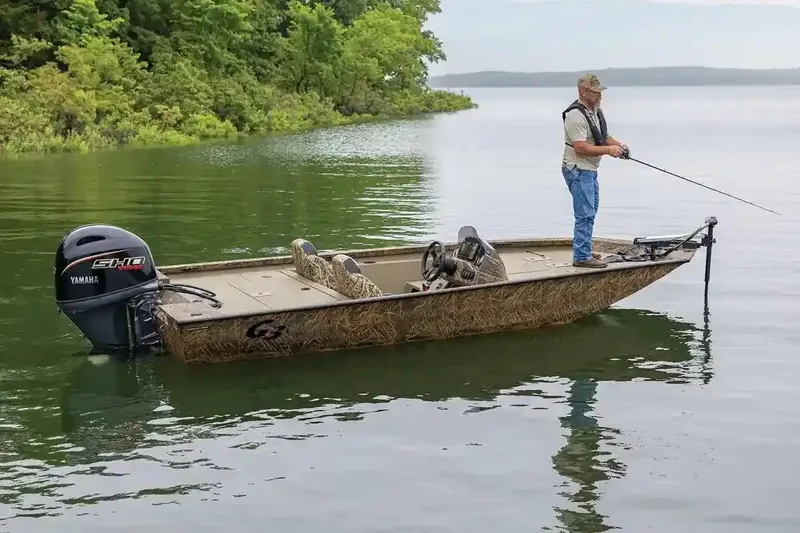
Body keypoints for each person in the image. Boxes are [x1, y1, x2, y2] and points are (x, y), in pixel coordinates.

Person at [561, 73, 630, 269]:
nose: (599, 96)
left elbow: (603, 136)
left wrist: (620, 146)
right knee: (585, 214)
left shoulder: (594, 110)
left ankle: (585, 249)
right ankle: (582, 257)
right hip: (578, 169)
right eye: (594, 93)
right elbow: (581, 147)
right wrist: (609, 151)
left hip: (589, 170)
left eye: (600, 92)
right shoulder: (575, 115)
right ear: (582, 91)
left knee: (591, 211)